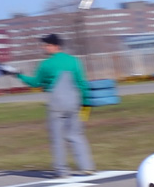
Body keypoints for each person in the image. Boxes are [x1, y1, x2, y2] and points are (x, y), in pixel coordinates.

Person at [12, 33, 94, 178]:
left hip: (57, 104)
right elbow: (81, 83)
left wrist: (19, 75)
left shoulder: (46, 64)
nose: (44, 47)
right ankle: (87, 166)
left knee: (57, 137)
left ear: (55, 46)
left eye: (47, 45)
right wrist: (86, 103)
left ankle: (62, 171)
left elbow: (35, 83)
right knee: (76, 135)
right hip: (74, 102)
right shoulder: (74, 61)